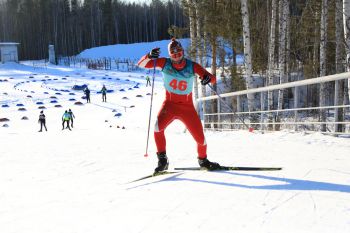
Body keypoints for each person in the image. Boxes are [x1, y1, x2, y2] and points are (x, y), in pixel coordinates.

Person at [137, 38, 221, 172]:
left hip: (187, 108)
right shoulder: (164, 63)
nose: (177, 56)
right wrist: (148, 56)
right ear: (170, 55)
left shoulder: (192, 66)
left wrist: (207, 78)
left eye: (179, 53)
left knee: (201, 139)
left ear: (183, 52)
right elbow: (141, 64)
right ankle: (163, 160)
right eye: (174, 54)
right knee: (157, 128)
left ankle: (203, 161)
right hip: (169, 105)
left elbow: (213, 78)